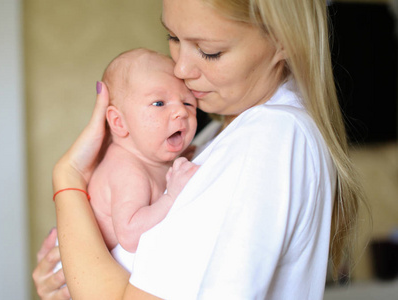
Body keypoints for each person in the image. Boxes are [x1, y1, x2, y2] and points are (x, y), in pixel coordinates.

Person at [33, 0, 365, 299]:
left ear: (282, 40)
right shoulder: (218, 133)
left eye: (208, 50)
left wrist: (68, 178)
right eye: (174, 38)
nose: (180, 70)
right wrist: (73, 272)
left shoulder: (268, 138)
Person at [54, 48, 199, 274]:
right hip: (81, 278)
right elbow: (131, 235)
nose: (181, 111)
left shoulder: (148, 157)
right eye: (159, 103)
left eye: (188, 103)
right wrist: (172, 196)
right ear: (119, 122)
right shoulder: (127, 170)